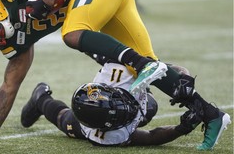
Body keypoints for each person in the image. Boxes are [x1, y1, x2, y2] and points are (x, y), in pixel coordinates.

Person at [0, 0, 230, 151]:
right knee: (150, 68)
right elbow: (10, 84)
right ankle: (210, 113)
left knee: (72, 33)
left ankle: (139, 62)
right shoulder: (14, 41)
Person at [19, 61, 221, 148]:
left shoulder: (117, 73)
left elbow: (170, 69)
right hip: (88, 125)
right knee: (66, 122)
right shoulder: (107, 136)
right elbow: (150, 137)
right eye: (119, 115)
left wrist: (183, 78)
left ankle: (41, 98)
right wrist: (181, 129)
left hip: (128, 89)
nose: (128, 112)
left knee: (150, 106)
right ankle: (41, 98)